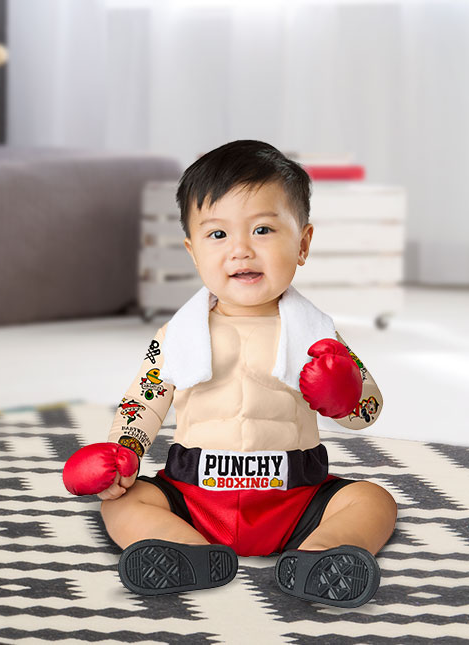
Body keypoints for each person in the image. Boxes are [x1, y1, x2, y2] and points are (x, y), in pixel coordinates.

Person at [63, 140, 397, 607]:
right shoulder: (176, 334)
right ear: (193, 251)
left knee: (372, 499)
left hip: (297, 498)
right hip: (193, 496)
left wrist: (346, 394)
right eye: (217, 235)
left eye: (262, 229)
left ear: (302, 244)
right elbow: (143, 402)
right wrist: (120, 455)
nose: (241, 250)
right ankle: (184, 549)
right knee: (123, 502)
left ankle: (320, 552)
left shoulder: (319, 334)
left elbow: (367, 411)